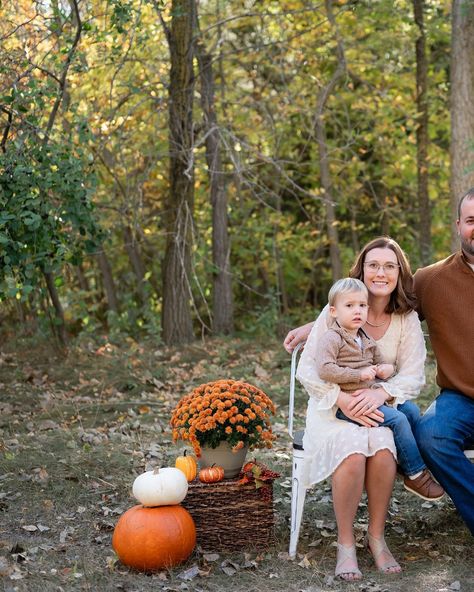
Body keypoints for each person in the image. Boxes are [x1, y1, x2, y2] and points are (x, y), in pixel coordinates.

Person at [286, 237, 426, 580]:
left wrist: (381, 394)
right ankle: (346, 543)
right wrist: (344, 399)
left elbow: (414, 375)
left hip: (379, 404)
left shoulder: (406, 319)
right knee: (351, 449)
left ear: (399, 273)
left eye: (389, 266)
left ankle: (377, 539)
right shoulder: (336, 310)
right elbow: (309, 370)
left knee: (381, 446)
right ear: (362, 270)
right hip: (332, 407)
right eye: (373, 265)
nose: (381, 272)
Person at [315, 277, 444, 501]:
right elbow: (325, 369)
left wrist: (385, 369)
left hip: (371, 395)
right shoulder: (332, 337)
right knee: (398, 420)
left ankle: (406, 462)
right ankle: (415, 473)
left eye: (362, 306)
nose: (358, 311)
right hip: (350, 402)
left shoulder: (363, 337)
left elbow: (380, 362)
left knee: (411, 411)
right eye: (350, 306)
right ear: (334, 311)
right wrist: (358, 374)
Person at [413, 188, 474, 535]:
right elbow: (372, 305)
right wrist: (323, 321)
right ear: (458, 225)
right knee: (432, 434)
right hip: (460, 398)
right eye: (471, 221)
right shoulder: (431, 280)